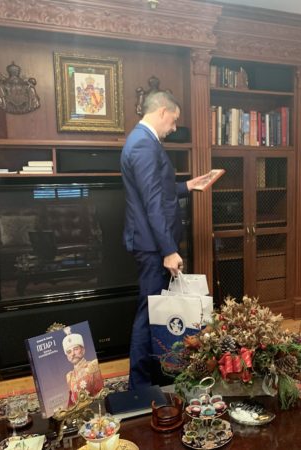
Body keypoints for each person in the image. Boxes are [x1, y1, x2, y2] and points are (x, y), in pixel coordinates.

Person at [121, 90, 211, 390]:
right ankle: (139, 385)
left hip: (151, 243)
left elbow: (158, 189)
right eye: (173, 120)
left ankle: (156, 376)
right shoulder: (143, 144)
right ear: (162, 111)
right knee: (149, 314)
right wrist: (169, 250)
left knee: (155, 312)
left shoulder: (143, 141)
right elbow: (152, 203)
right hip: (152, 246)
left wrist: (188, 186)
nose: (174, 128)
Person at [62, 328, 103, 408]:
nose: (73, 354)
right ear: (67, 357)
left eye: (76, 349)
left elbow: (100, 392)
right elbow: (72, 401)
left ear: (83, 350)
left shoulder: (93, 365)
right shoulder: (69, 376)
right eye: (69, 352)